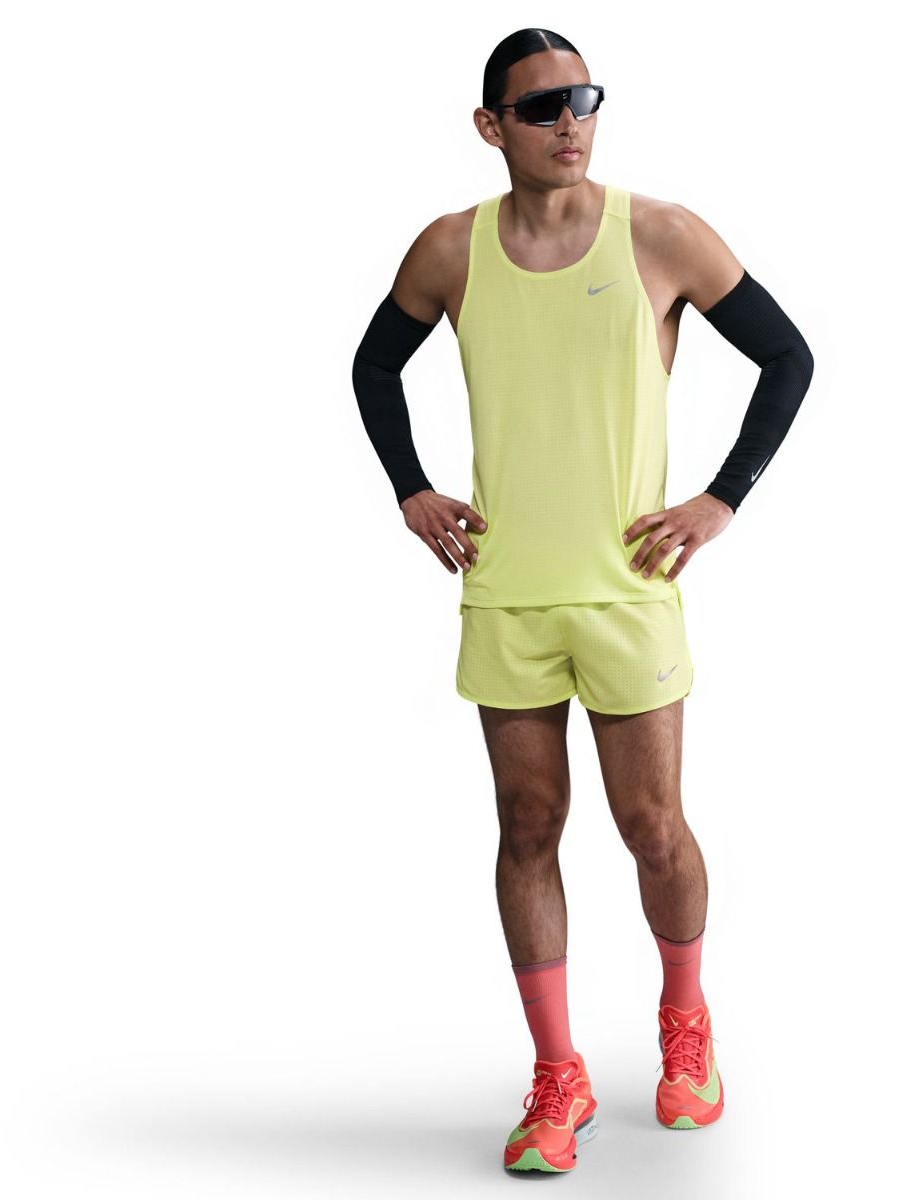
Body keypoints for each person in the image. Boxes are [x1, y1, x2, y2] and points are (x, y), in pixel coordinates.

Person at [352, 28, 814, 1175]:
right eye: (542, 106)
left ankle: (686, 1022)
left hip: (627, 594)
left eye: (585, 99)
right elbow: (373, 365)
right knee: (526, 827)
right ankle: (558, 1074)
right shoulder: (450, 250)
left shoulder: (660, 235)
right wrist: (411, 489)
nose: (570, 122)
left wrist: (719, 500)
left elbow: (788, 358)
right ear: (490, 126)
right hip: (507, 595)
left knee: (653, 827)